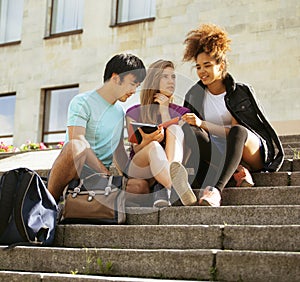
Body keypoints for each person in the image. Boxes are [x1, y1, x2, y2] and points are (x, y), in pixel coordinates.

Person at [170, 23, 284, 207]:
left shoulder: (239, 92)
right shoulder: (194, 94)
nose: (201, 72)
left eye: (207, 65)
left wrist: (203, 123)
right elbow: (194, 132)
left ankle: (216, 190)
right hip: (216, 152)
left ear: (221, 65)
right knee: (191, 131)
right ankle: (236, 172)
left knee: (238, 131)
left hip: (248, 150)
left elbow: (236, 131)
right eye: (198, 67)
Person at [47, 53, 148, 202]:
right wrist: (104, 173)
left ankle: (109, 200)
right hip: (75, 172)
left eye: (137, 86)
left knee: (140, 186)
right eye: (132, 84)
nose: (134, 91)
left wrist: (130, 177)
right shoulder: (82, 102)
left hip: (99, 180)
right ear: (115, 78)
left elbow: (117, 150)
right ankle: (48, 203)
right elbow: (77, 141)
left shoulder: (119, 111)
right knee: (74, 146)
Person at [125, 59, 197, 207]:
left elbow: (186, 145)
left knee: (175, 129)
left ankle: (164, 188)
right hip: (140, 167)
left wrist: (165, 110)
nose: (171, 81)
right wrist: (149, 139)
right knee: (153, 147)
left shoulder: (183, 112)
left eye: (173, 77)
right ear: (154, 80)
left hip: (168, 163)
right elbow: (136, 149)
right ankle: (175, 187)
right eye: (165, 77)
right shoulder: (133, 112)